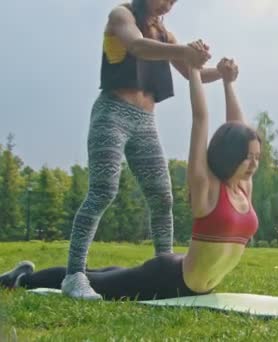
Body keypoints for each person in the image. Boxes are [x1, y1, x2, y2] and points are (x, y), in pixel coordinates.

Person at [0, 57, 261, 301]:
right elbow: (200, 119)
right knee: (98, 281)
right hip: (169, 278)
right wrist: (193, 70)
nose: (254, 163)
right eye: (248, 157)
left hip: (188, 277)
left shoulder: (242, 188)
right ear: (231, 154)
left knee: (111, 273)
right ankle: (22, 279)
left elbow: (239, 128)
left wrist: (228, 82)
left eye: (256, 157)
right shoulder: (208, 187)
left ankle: (24, 274)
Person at [63, 0, 223, 300]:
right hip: (112, 114)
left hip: (146, 122)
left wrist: (223, 73)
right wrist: (185, 52)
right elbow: (137, 46)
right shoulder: (121, 15)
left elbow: (192, 73)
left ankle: (166, 270)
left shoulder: (165, 34)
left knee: (162, 197)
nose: (169, 4)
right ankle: (74, 275)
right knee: (103, 190)